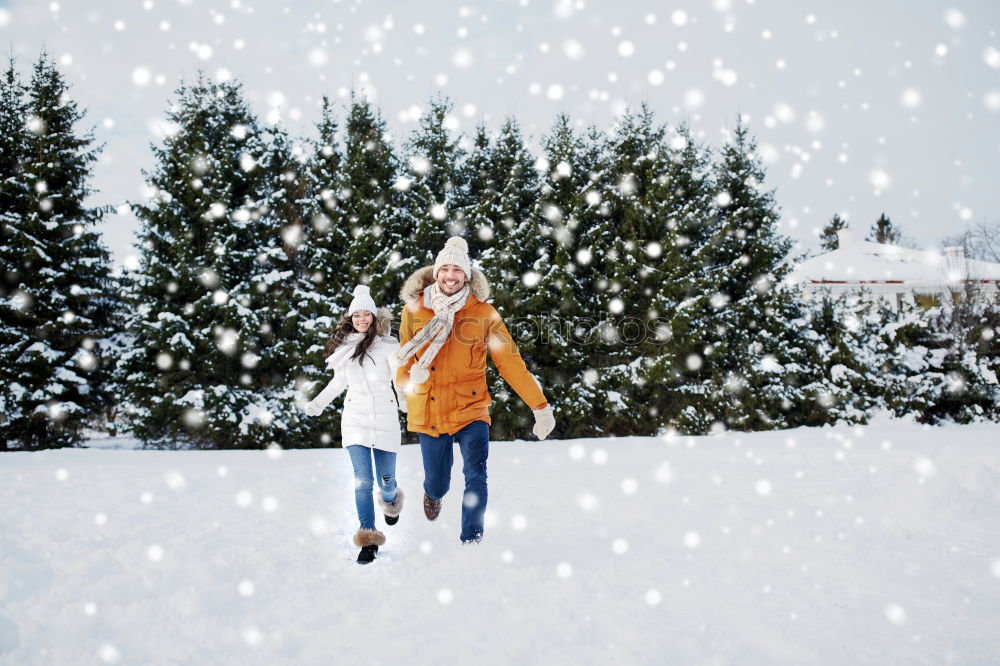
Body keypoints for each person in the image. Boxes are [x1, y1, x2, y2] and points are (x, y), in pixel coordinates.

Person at [396, 236, 556, 544]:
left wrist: (540, 407)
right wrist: (403, 390)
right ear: (437, 272)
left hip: (471, 409)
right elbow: (403, 356)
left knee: (476, 474)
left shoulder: (484, 314)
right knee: (439, 481)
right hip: (428, 408)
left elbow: (510, 363)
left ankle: (472, 538)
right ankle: (433, 493)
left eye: (458, 269)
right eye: (446, 269)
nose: (451, 275)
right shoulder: (414, 310)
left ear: (467, 276)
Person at [304, 285, 406, 565]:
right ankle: (369, 538)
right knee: (363, 480)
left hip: (385, 417)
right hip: (355, 419)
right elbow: (338, 382)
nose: (362, 319)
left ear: (374, 317)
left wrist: (405, 401)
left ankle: (390, 501)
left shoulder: (389, 345)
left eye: (366, 314)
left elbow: (399, 378)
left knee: (387, 481)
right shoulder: (345, 348)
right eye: (356, 315)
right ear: (351, 318)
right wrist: (319, 402)